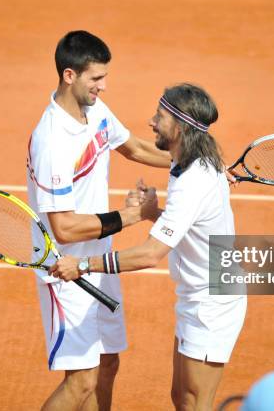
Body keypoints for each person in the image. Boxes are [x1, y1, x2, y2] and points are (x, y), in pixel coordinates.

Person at [53, 83, 248, 411]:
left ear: (181, 126)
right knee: (181, 398)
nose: (151, 121)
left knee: (196, 404)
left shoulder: (193, 181)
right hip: (197, 294)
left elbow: (150, 254)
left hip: (214, 301)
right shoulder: (183, 162)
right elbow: (188, 228)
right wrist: (149, 212)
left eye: (160, 116)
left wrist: (83, 265)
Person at [26, 30, 170, 411]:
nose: (103, 86)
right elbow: (65, 227)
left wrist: (195, 161)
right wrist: (134, 215)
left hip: (97, 260)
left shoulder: (94, 110)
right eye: (96, 78)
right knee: (81, 383)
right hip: (65, 269)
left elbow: (135, 148)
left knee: (108, 363)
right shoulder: (53, 141)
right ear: (70, 75)